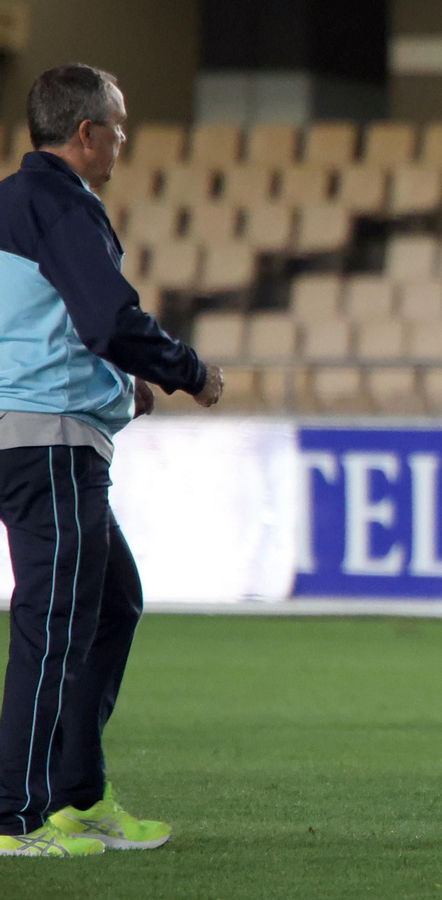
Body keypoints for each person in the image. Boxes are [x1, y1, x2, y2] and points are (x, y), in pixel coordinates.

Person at [0, 64, 225, 858]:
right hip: (49, 440)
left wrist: (119, 384)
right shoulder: (60, 205)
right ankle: (15, 820)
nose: (124, 141)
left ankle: (78, 798)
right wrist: (187, 370)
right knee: (54, 624)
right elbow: (106, 318)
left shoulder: (9, 204)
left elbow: (43, 327)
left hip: (29, 430)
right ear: (86, 134)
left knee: (111, 604)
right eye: (118, 127)